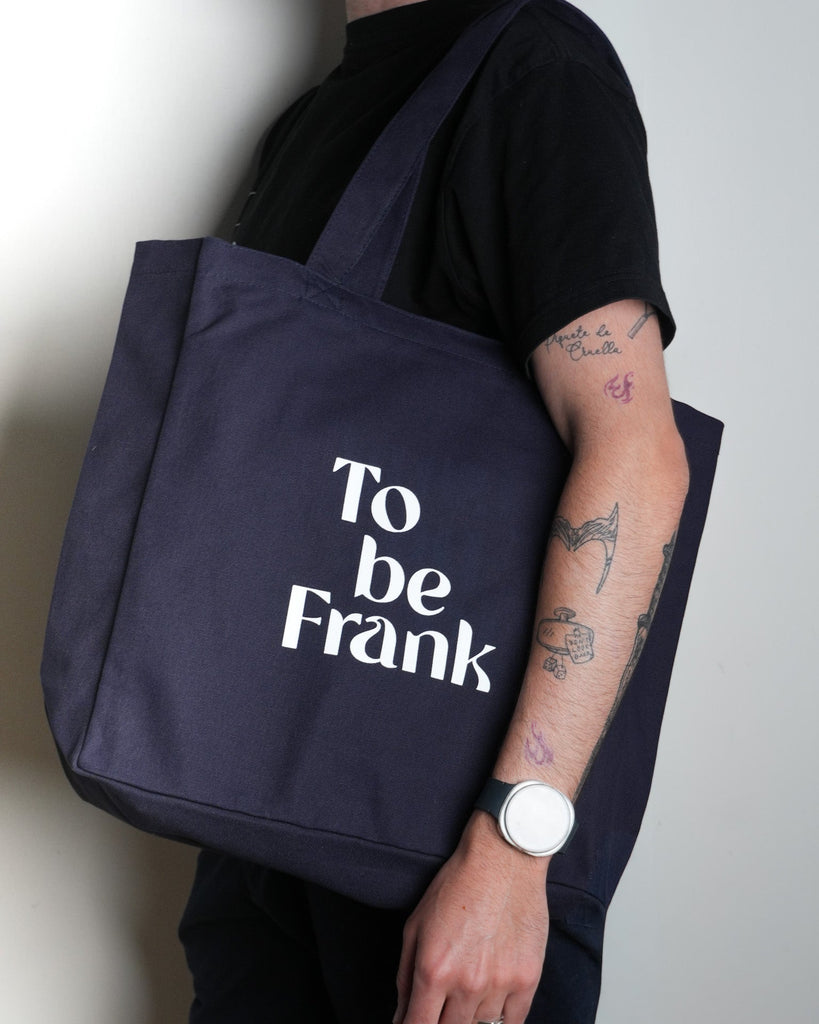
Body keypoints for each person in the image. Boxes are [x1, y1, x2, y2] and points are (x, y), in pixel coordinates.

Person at [179, 1, 690, 1021]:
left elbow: (637, 457)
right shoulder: (318, 112)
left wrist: (512, 848)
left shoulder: (535, 70)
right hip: (262, 819)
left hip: (447, 855)